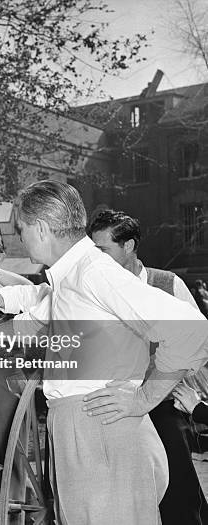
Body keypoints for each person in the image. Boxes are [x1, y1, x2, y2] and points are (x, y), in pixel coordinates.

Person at [0, 180, 208, 525]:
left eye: (21, 229)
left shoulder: (92, 273)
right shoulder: (71, 276)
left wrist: (144, 399)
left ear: (41, 228)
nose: (20, 238)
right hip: (81, 425)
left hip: (99, 426)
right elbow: (34, 321)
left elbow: (191, 328)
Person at [88, 209, 208, 525]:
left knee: (176, 480)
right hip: (113, 397)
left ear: (128, 246)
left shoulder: (167, 283)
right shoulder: (96, 290)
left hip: (162, 399)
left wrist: (170, 385)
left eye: (103, 250)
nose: (96, 259)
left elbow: (197, 340)